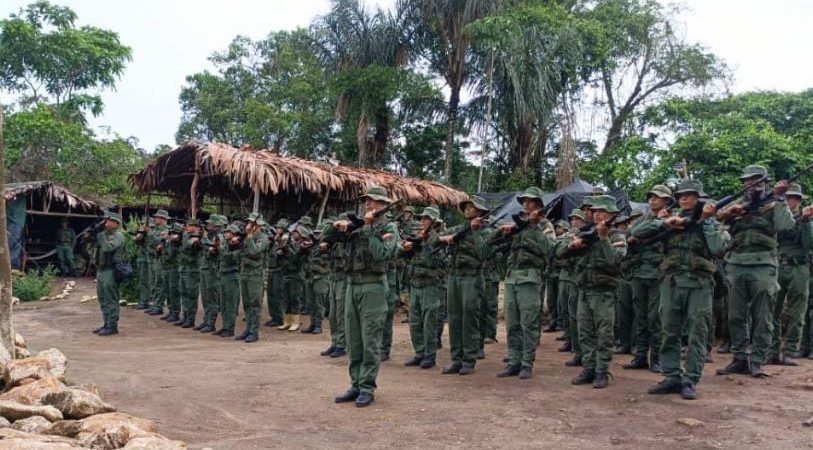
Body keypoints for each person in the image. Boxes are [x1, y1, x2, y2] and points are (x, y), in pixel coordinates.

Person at [715, 165, 794, 377]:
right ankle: (739, 357)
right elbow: (714, 218)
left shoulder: (773, 203)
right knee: (736, 315)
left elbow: (786, 225)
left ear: (765, 182)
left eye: (757, 180)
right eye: (748, 181)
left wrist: (780, 198)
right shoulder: (738, 206)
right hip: (737, 264)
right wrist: (730, 213)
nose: (752, 184)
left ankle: (757, 359)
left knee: (763, 316)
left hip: (763, 266)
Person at [327, 186, 398, 408]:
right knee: (354, 339)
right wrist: (337, 226)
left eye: (374, 201)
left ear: (384, 205)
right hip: (352, 286)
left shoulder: (389, 227)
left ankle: (367, 386)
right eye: (366, 201)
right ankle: (356, 383)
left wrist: (368, 228)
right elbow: (326, 238)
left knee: (370, 339)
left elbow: (383, 255)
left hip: (373, 287)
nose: (368, 204)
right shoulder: (356, 225)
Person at [557, 195, 627, 388]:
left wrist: (603, 239)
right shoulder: (584, 232)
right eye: (595, 211)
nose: (597, 215)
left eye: (601, 212)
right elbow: (559, 254)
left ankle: (602, 371)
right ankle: (589, 367)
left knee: (604, 334)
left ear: (611, 215)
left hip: (604, 292)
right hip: (584, 290)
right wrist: (572, 245)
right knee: (585, 332)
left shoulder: (617, 237)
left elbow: (615, 263)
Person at [494, 187, 556, 380]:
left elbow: (551, 250)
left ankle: (527, 363)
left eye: (531, 202)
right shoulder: (516, 223)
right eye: (525, 201)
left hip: (530, 278)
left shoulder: (545, 225)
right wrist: (503, 231)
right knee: (512, 323)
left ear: (538, 205)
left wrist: (535, 227)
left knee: (528, 323)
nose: (526, 204)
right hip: (512, 277)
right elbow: (495, 242)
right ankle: (514, 361)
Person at [436, 196, 490, 376]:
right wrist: (447, 239)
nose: (467, 209)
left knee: (469, 318)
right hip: (454, 276)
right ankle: (456, 358)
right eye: (465, 206)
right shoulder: (459, 228)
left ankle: (469, 359)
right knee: (454, 318)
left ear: (480, 211)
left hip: (471, 277)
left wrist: (475, 232)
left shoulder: (486, 230)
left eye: (471, 207)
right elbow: (436, 238)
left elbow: (484, 253)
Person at [624, 185, 672, 372]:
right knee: (641, 317)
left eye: (657, 197)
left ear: (667, 200)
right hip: (638, 272)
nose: (653, 200)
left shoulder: (671, 218)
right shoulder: (643, 218)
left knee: (655, 319)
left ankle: (657, 358)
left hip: (658, 273)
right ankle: (640, 356)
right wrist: (653, 222)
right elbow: (631, 235)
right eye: (651, 197)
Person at [768, 183, 813, 365]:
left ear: (799, 200)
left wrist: (805, 221)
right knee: (773, 310)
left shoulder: (807, 219)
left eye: (794, 198)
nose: (790, 201)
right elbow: (775, 235)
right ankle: (772, 350)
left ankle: (790, 351)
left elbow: (809, 244)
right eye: (787, 198)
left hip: (799, 267)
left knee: (797, 312)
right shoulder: (778, 217)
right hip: (778, 265)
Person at [401, 206, 446, 369]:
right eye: (422, 219)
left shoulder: (438, 240)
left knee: (429, 321)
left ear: (434, 222)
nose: (422, 221)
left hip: (431, 286)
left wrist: (425, 244)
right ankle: (419, 352)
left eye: (426, 219)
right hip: (416, 285)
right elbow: (404, 257)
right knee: (414, 321)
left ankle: (429, 354)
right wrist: (409, 247)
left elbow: (440, 263)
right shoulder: (417, 238)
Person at [321, 212, 352, 358]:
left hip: (344, 278)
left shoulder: (350, 238)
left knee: (341, 313)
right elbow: (324, 235)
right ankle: (335, 342)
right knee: (332, 314)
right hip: (333, 278)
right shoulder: (334, 239)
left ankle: (342, 344)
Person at [237, 213, 269, 343]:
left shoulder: (263, 238)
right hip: (245, 273)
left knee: (255, 304)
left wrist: (250, 236)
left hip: (255, 275)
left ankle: (254, 332)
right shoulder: (246, 237)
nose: (248, 226)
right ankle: (248, 329)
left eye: (251, 223)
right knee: (247, 304)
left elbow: (255, 252)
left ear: (258, 225)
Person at [93, 212, 125, 336]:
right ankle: (106, 323)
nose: (106, 223)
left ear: (116, 223)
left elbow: (107, 248)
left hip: (110, 270)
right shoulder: (105, 235)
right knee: (103, 298)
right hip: (101, 270)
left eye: (109, 221)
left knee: (111, 298)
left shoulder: (118, 236)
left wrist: (100, 236)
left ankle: (112, 325)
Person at [197, 214, 226, 333]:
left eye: (210, 223)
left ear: (216, 225)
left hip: (212, 270)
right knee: (205, 297)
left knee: (212, 297)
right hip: (205, 269)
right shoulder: (210, 235)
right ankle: (206, 320)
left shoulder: (219, 236)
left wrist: (204, 239)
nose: (207, 225)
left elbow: (217, 251)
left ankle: (211, 322)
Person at [277, 225, 310, 332]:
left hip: (296, 275)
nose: (294, 234)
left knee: (294, 298)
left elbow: (296, 259)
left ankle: (295, 321)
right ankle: (287, 321)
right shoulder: (291, 245)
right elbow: (282, 259)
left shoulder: (303, 247)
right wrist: (281, 253)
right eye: (294, 233)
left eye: (296, 233)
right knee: (286, 298)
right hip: (287, 273)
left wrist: (287, 249)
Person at [216, 223, 242, 337]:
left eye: (229, 232)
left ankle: (230, 328)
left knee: (230, 303)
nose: (226, 234)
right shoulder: (226, 245)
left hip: (232, 276)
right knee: (223, 303)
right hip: (223, 275)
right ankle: (225, 326)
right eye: (226, 232)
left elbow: (229, 257)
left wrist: (220, 248)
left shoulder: (238, 247)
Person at [304, 226, 330, 334]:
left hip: (321, 278)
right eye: (315, 233)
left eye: (319, 233)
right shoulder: (314, 247)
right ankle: (313, 323)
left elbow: (325, 262)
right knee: (311, 302)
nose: (316, 235)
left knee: (320, 303)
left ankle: (318, 325)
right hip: (311, 277)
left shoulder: (328, 247)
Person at [177, 219, 203, 328]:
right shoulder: (185, 236)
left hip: (193, 269)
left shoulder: (197, 237)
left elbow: (194, 246)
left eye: (191, 226)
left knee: (191, 294)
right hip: (183, 268)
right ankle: (185, 316)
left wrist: (197, 237)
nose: (188, 227)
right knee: (184, 293)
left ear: (197, 227)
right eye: (188, 225)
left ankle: (190, 319)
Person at [265, 219, 289, 328]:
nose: (277, 229)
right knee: (270, 293)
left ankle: (279, 317)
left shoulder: (286, 239)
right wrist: (273, 241)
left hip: (280, 270)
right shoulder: (275, 239)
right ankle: (273, 316)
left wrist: (279, 242)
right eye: (277, 228)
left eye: (280, 228)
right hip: (272, 268)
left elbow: (285, 253)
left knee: (277, 293)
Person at [146, 210, 170, 316]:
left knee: (159, 283)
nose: (155, 219)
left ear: (162, 219)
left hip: (161, 260)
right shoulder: (155, 230)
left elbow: (157, 241)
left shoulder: (166, 231)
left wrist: (149, 234)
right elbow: (149, 244)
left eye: (157, 217)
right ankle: (155, 304)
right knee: (153, 283)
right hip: (153, 258)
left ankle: (158, 306)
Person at [160, 222, 183, 324]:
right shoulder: (169, 242)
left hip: (174, 267)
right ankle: (171, 310)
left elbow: (172, 253)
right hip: (167, 267)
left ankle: (175, 312)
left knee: (174, 290)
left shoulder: (178, 242)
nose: (172, 235)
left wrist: (169, 241)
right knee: (167, 290)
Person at [133, 219, 151, 310]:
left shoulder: (151, 233)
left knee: (145, 281)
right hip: (141, 259)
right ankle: (144, 300)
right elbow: (137, 241)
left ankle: (145, 301)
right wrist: (138, 232)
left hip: (146, 260)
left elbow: (149, 244)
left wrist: (147, 233)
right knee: (142, 281)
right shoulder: (142, 233)